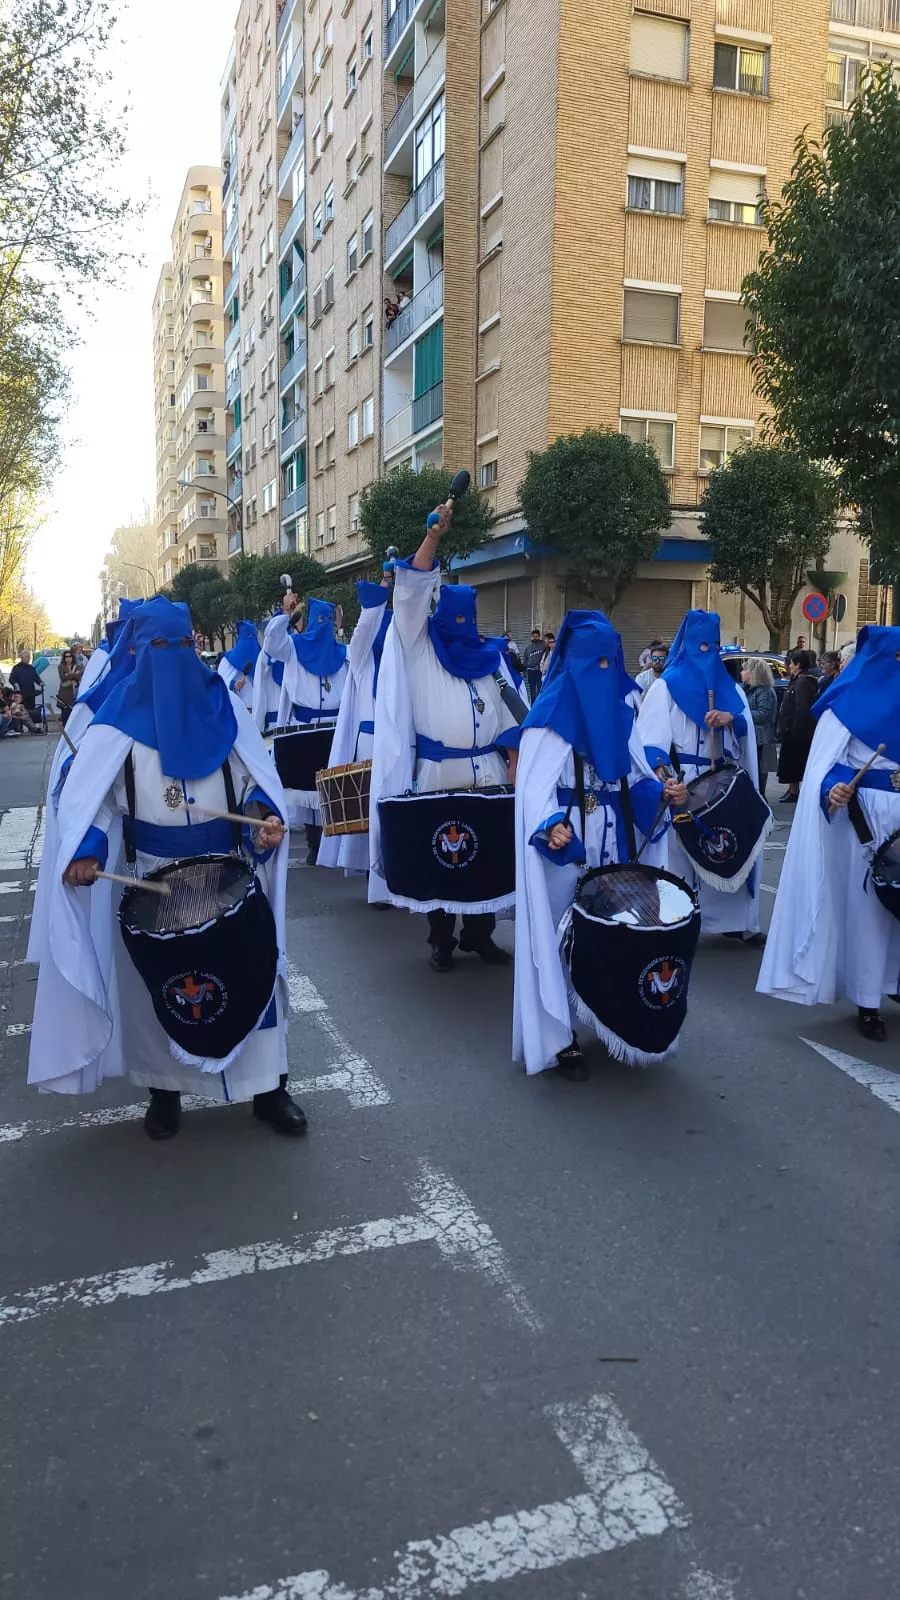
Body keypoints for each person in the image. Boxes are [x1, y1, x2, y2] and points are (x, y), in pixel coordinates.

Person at [27, 595, 306, 1140]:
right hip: (151, 877)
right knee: (161, 988)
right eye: (160, 646)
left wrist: (262, 817)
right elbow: (97, 801)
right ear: (140, 649)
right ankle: (164, 1092)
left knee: (254, 976)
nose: (173, 655)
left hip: (228, 870)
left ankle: (270, 1089)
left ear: (194, 645)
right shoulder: (116, 724)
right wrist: (85, 849)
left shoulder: (222, 704)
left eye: (182, 644)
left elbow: (252, 780)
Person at [513, 611, 669, 1079]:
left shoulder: (624, 708)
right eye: (594, 662)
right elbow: (533, 789)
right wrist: (550, 824)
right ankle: (561, 1037)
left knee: (614, 933)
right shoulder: (551, 712)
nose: (604, 671)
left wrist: (662, 791)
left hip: (615, 840)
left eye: (610, 661)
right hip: (569, 842)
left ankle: (609, 1016)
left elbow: (633, 776)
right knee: (563, 934)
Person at [368, 503, 520, 970]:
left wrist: (513, 762)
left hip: (488, 774)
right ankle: (441, 939)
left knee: (488, 860)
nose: (462, 630)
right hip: (437, 775)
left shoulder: (491, 659)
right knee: (442, 859)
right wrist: (432, 539)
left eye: (469, 622)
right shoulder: (417, 647)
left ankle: (480, 934)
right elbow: (410, 597)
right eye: (454, 622)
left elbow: (510, 716)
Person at [758, 624, 900, 1043]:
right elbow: (824, 765)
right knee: (871, 909)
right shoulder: (846, 702)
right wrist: (831, 787)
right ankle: (867, 998)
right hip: (866, 819)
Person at [637, 609, 764, 944]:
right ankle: (678, 917)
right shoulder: (666, 687)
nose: (708, 652)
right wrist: (666, 778)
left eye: (715, 645)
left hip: (724, 780)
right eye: (701, 645)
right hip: (686, 781)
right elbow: (650, 744)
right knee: (681, 853)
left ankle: (733, 921)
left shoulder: (731, 690)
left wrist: (731, 721)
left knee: (730, 847)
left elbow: (746, 731)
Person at [262, 594, 348, 861]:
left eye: (327, 622)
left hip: (335, 727)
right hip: (305, 727)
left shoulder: (342, 654)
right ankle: (314, 843)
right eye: (318, 620)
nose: (323, 627)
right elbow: (272, 643)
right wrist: (286, 613)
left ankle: (337, 844)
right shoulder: (294, 648)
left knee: (336, 789)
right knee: (308, 789)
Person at [317, 572, 392, 875]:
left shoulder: (404, 660)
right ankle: (377, 876)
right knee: (371, 812)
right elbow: (363, 631)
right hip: (371, 743)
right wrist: (383, 590)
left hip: (401, 742)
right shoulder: (361, 658)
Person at [776, 649, 818, 802]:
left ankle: (795, 791)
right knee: (790, 763)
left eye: (792, 663)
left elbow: (801, 709)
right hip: (790, 729)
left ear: (799, 665)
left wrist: (795, 730)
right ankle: (792, 789)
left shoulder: (803, 683)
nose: (789, 667)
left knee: (795, 763)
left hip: (797, 732)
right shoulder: (796, 681)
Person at [742, 657, 778, 798]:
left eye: (745, 670)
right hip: (755, 738)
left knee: (758, 774)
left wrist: (741, 714)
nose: (741, 673)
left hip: (761, 740)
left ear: (753, 673)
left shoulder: (763, 691)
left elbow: (763, 714)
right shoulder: (751, 690)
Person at [218, 619, 260, 710]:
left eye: (253, 636)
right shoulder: (227, 660)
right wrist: (233, 685)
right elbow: (219, 683)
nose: (251, 640)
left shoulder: (261, 658)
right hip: (239, 710)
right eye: (248, 636)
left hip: (260, 711)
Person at [9, 647, 42, 727]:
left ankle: (32, 727)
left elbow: (36, 677)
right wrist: (15, 684)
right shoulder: (16, 668)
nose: (29, 658)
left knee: (31, 710)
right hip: (20, 694)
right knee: (19, 710)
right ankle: (20, 728)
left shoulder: (31, 668)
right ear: (22, 657)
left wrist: (41, 682)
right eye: (27, 657)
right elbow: (11, 678)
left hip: (30, 692)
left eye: (29, 657)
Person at [56, 649, 80, 725]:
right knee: (65, 711)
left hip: (74, 692)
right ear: (64, 658)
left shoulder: (77, 666)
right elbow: (62, 677)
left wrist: (68, 676)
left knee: (73, 711)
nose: (68, 658)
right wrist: (72, 677)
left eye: (70, 656)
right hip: (64, 692)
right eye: (66, 656)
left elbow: (78, 676)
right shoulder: (61, 667)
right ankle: (65, 726)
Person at [523, 629, 546, 705]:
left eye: (536, 636)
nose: (535, 637)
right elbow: (525, 659)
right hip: (530, 671)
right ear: (531, 637)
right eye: (533, 636)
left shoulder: (543, 646)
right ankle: (532, 705)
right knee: (532, 689)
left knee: (540, 688)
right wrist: (524, 671)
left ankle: (539, 704)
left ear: (539, 636)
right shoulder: (528, 648)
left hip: (539, 671)